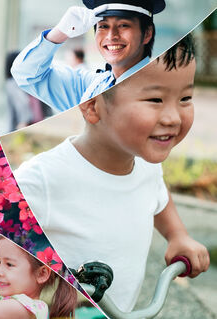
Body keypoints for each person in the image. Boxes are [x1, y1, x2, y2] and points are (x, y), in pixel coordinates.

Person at [14, 35, 210, 312]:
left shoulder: (147, 165)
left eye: (185, 98)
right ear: (93, 105)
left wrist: (177, 235)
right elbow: (1, 239)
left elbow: (157, 195)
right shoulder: (42, 179)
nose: (173, 118)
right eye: (155, 99)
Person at [11, 0, 165, 112]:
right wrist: (59, 33)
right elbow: (26, 74)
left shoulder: (160, 93)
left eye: (123, 25)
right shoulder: (92, 85)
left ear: (147, 33)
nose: (111, 36)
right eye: (103, 26)